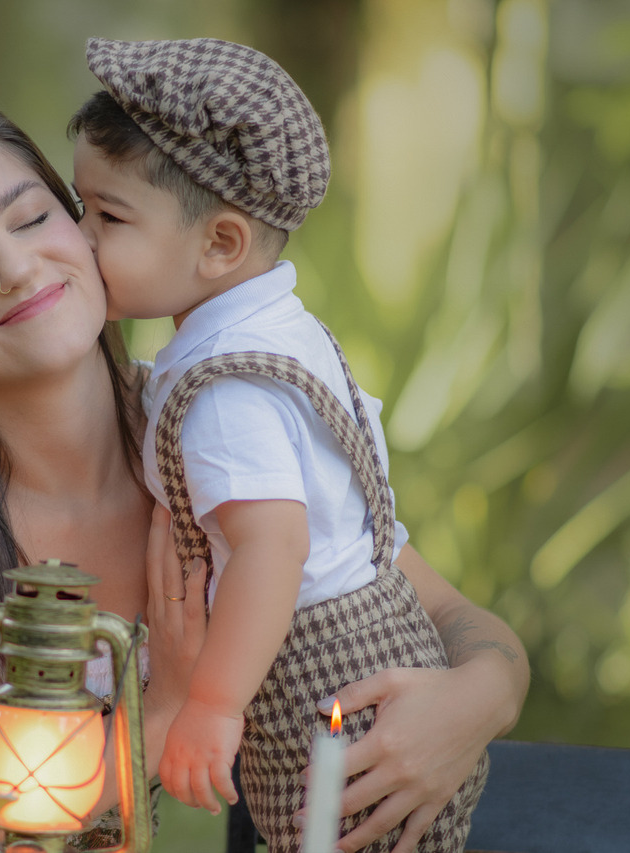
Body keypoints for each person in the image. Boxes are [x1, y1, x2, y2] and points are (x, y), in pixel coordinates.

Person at [0, 90, 528, 853]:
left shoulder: (211, 438)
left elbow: (456, 616)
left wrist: (479, 698)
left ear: (91, 224)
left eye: (34, 216)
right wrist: (168, 714)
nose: (15, 266)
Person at [68, 36, 524, 853]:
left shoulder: (226, 392)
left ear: (221, 245)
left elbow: (271, 547)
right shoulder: (283, 335)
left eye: (107, 216)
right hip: (387, 641)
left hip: (331, 691)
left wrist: (212, 703)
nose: (78, 235)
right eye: (78, 205)